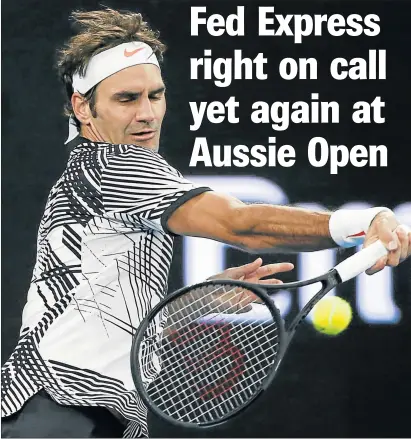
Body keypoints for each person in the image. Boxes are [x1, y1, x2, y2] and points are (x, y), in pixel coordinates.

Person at [1, 7, 410, 439]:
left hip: (65, 415)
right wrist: (364, 220)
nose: (147, 113)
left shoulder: (87, 175)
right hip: (62, 412)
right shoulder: (117, 165)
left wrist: (202, 301)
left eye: (155, 95)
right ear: (84, 108)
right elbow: (242, 226)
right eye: (126, 99)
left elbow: (100, 315)